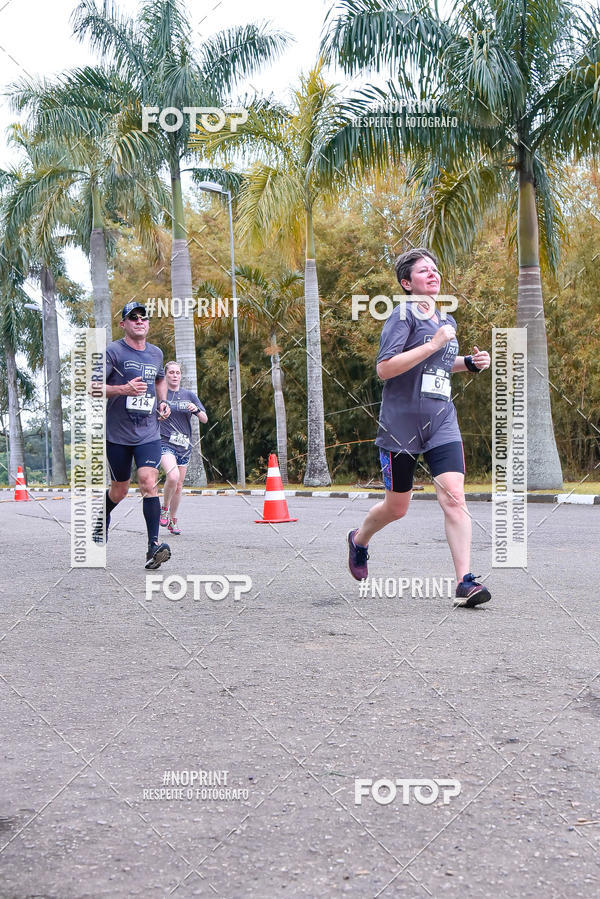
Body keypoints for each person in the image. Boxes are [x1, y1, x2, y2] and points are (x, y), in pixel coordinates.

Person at [347, 248, 492, 608]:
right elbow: (385, 368)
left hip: (442, 422)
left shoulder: (445, 320)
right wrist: (433, 343)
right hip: (401, 428)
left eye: (435, 269)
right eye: (423, 271)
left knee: (454, 497)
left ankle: (464, 581)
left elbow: (440, 364)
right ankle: (359, 540)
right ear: (406, 283)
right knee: (397, 508)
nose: (432, 274)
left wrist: (469, 363)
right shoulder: (402, 315)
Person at [93, 300, 172, 569]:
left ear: (148, 323)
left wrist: (163, 402)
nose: (139, 321)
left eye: (143, 317)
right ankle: (102, 515)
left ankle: (153, 547)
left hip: (148, 431)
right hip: (117, 434)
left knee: (148, 481)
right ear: (123, 323)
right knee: (121, 490)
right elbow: (92, 387)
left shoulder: (156, 354)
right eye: (133, 317)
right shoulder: (113, 352)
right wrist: (122, 390)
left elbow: (159, 379)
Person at [159, 361, 208, 534]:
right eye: (171, 372)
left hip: (184, 445)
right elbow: (149, 417)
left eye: (177, 372)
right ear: (165, 375)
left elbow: (204, 419)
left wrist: (196, 410)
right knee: (172, 477)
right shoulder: (161, 394)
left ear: (181, 375)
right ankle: (164, 508)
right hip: (165, 442)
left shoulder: (189, 395)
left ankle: (172, 520)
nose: (174, 375)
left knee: (179, 485)